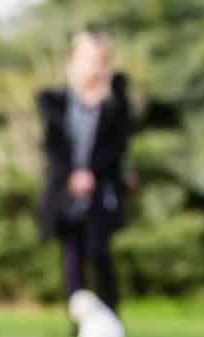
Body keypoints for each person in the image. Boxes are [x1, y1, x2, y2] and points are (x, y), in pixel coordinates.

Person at [37, 30, 132, 317]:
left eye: (98, 59)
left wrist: (92, 174)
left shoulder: (115, 103)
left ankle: (109, 316)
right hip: (66, 191)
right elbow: (53, 148)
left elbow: (118, 147)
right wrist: (72, 175)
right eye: (87, 58)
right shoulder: (57, 102)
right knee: (72, 257)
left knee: (99, 253)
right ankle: (79, 321)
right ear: (74, 60)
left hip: (102, 191)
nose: (93, 65)